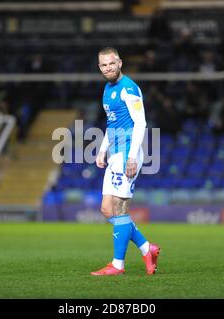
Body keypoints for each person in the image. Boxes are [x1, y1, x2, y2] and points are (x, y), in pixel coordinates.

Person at [90, 47, 160, 276]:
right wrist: (102, 150)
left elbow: (140, 123)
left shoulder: (129, 88)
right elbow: (111, 123)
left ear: (119, 62)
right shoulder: (107, 89)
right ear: (99, 67)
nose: (108, 68)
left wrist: (131, 156)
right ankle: (147, 248)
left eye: (111, 63)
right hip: (115, 153)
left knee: (120, 207)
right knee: (106, 209)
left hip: (128, 153)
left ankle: (117, 265)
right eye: (103, 65)